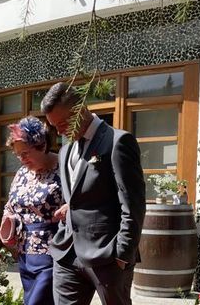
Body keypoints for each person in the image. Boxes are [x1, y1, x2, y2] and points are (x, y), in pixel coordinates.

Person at [41, 82, 145, 305]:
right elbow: (84, 194)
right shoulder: (66, 149)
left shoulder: (117, 142)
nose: (59, 131)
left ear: (81, 108)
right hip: (67, 253)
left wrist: (122, 254)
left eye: (62, 123)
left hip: (107, 256)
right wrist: (69, 209)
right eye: (54, 126)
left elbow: (133, 204)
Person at [0, 116, 67, 305]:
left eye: (26, 153)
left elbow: (78, 203)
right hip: (24, 254)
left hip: (52, 253)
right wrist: (8, 220)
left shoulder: (63, 168)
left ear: (42, 145)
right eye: (18, 155)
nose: (22, 159)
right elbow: (11, 204)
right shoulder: (22, 173)